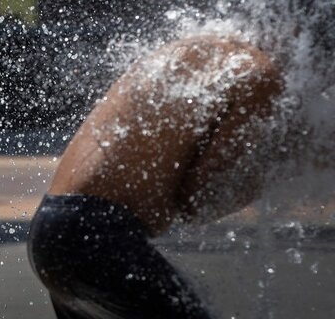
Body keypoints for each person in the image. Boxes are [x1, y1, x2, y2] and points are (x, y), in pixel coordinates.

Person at [28, 34, 283, 319]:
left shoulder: (195, 47)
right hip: (98, 236)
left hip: (50, 229)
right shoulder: (261, 72)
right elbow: (195, 202)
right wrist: (274, 173)